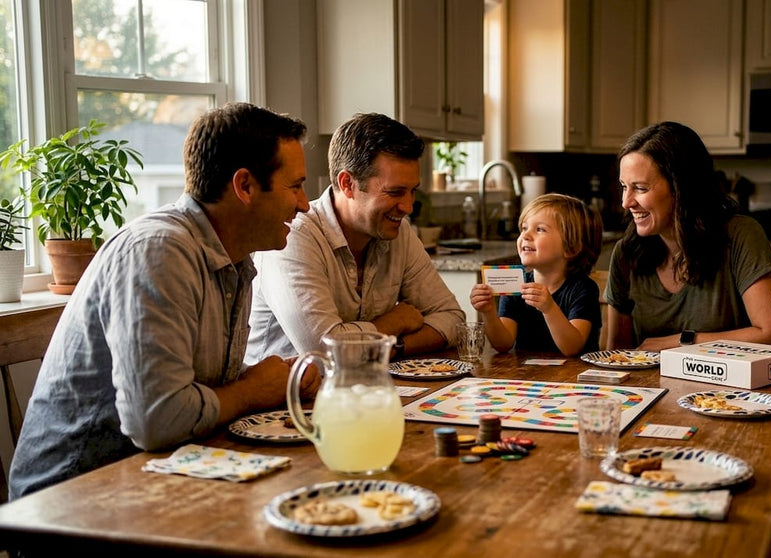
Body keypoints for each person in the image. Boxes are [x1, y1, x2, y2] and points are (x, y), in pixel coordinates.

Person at [8, 102, 319, 499]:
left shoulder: (233, 260)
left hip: (158, 477)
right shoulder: (158, 252)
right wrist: (254, 390)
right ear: (244, 186)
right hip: (71, 501)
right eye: (294, 185)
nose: (304, 203)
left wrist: (271, 378)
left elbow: (193, 375)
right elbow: (157, 421)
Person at [245, 113, 463, 363]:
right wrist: (393, 322)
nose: (408, 206)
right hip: (287, 398)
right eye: (395, 192)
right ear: (347, 183)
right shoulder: (294, 235)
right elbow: (324, 350)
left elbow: (452, 318)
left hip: (360, 389)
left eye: (412, 191)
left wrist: (394, 346)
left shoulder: (397, 231)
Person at [605, 121, 771, 351]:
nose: (626, 202)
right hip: (649, 386)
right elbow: (616, 355)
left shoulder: (740, 236)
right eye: (624, 186)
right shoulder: (626, 254)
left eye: (641, 188)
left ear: (681, 188)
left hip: (728, 387)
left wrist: (681, 341)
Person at [469, 193, 603, 356]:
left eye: (539, 229)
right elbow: (503, 344)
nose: (525, 235)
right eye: (524, 228)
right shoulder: (516, 284)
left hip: (574, 377)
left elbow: (572, 348)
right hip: (527, 377)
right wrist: (488, 312)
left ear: (571, 248)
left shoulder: (583, 289)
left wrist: (549, 308)